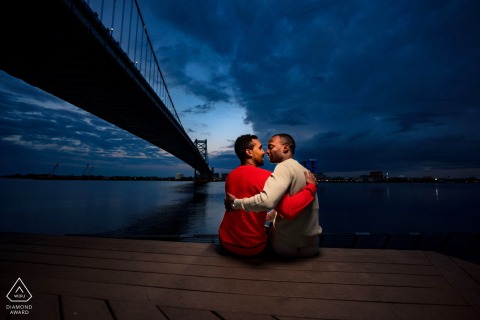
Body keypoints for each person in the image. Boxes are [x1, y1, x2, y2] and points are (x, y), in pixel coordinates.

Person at [218, 134, 318, 257]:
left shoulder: (230, 176)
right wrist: (311, 187)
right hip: (252, 247)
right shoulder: (266, 177)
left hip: (225, 241)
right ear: (249, 152)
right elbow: (288, 210)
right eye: (260, 148)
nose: (264, 152)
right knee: (271, 231)